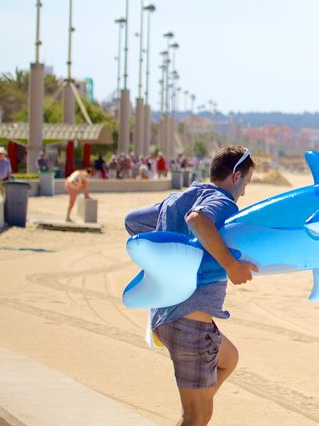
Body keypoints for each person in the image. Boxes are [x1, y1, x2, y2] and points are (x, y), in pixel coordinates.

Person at [124, 146, 258, 426]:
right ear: (235, 176)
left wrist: (172, 248)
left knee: (228, 360)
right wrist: (231, 266)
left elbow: (132, 222)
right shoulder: (222, 201)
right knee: (197, 417)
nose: (244, 191)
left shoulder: (178, 199)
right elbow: (197, 220)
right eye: (246, 182)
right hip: (191, 322)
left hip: (163, 316)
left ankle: (199, 403)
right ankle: (197, 411)